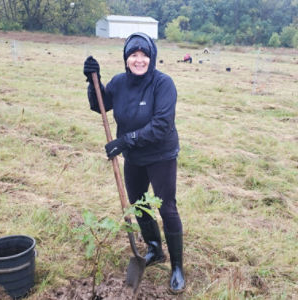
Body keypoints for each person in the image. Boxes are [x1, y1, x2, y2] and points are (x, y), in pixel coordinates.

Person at [83, 32, 185, 294]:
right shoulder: (119, 83)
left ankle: (176, 267)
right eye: (133, 55)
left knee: (167, 208)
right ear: (126, 58)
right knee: (138, 204)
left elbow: (161, 125)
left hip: (161, 155)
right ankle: (154, 248)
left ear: (152, 58)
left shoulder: (163, 84)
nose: (139, 60)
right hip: (135, 158)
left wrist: (126, 140)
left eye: (144, 55)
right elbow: (101, 105)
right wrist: (92, 80)